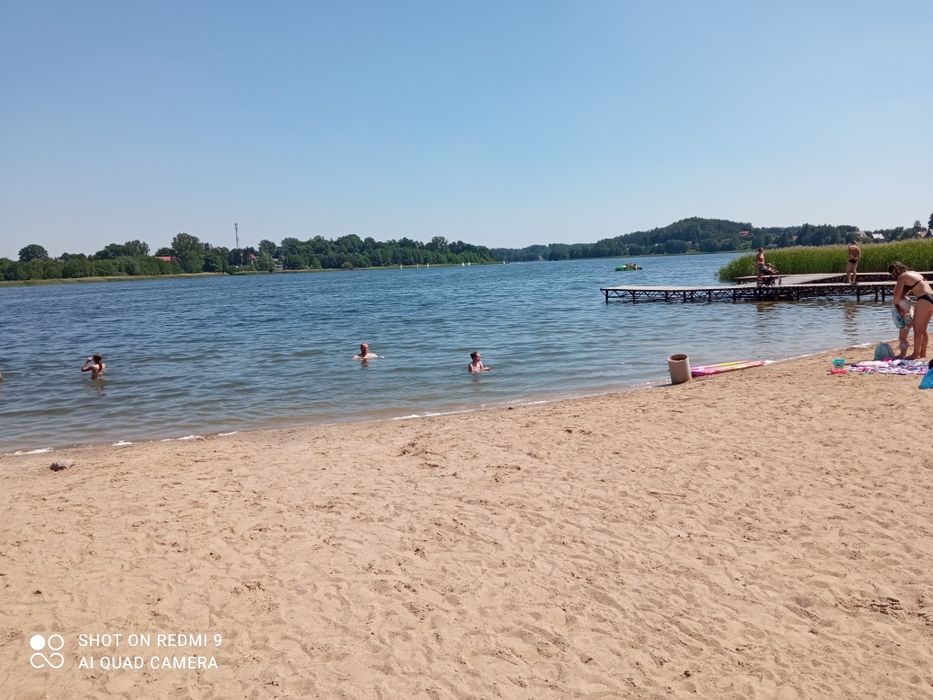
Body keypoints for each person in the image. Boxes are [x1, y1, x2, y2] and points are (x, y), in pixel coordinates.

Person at [889, 261, 933, 359]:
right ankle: (923, 354)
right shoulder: (914, 273)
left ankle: (915, 354)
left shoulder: (902, 277)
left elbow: (896, 299)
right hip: (931, 297)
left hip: (924, 299)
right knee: (923, 329)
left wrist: (897, 305)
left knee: (917, 330)